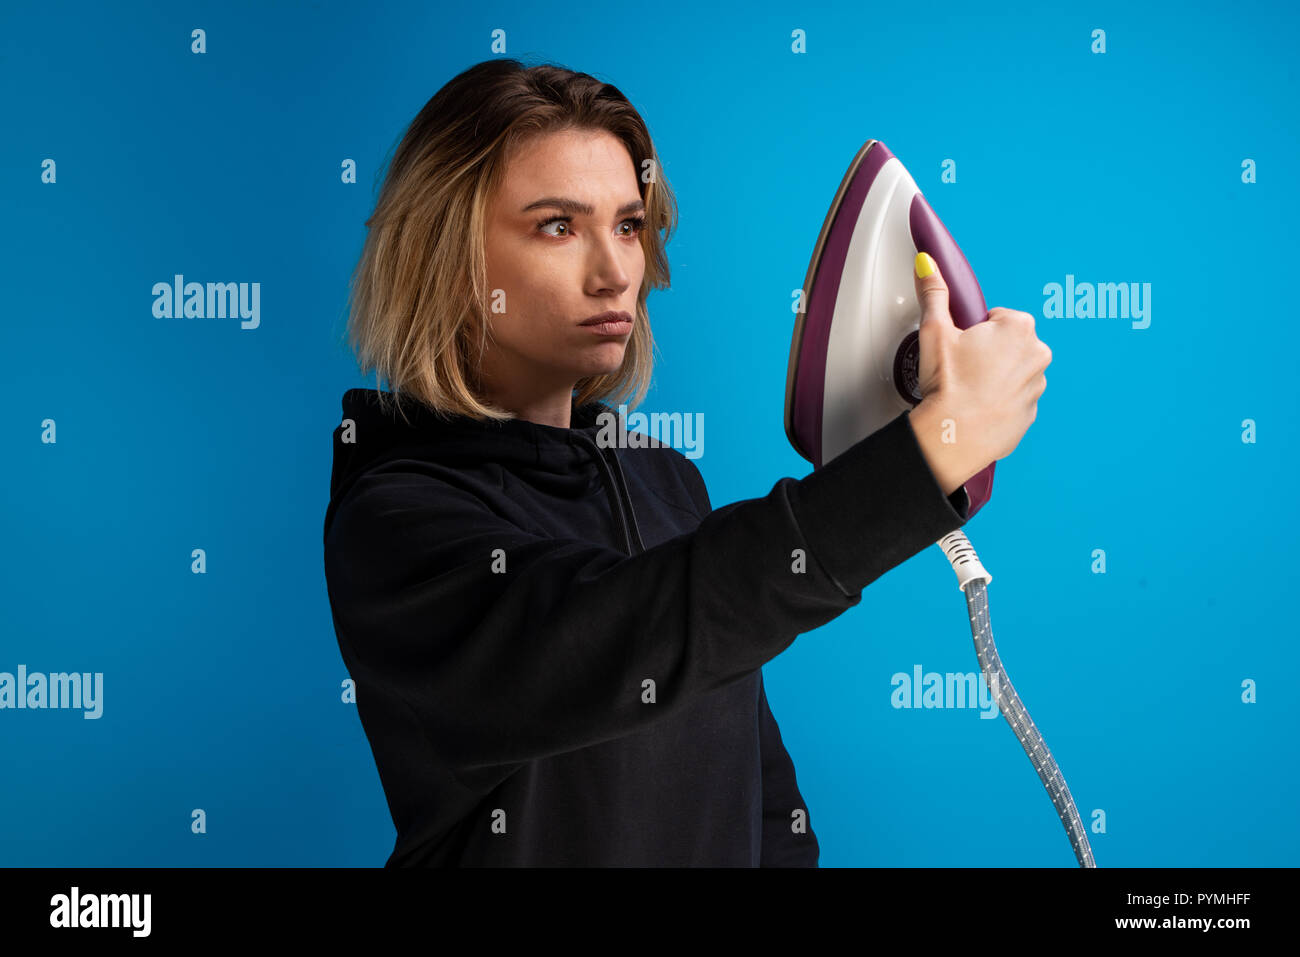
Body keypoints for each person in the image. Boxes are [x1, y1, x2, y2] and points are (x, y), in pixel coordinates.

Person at [322, 58, 1051, 867]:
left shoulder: (665, 481)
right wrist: (927, 455)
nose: (616, 273)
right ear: (446, 257)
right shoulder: (396, 519)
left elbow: (764, 803)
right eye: (557, 225)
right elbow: (633, 629)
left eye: (629, 225)